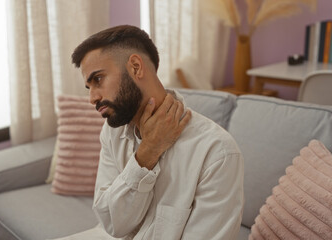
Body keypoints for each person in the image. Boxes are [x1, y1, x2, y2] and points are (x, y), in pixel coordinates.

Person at [71, 25, 244, 240]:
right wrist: (148, 152)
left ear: (135, 67)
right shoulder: (112, 133)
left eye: (98, 79)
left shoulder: (217, 152)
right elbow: (111, 224)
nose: (92, 98)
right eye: (89, 87)